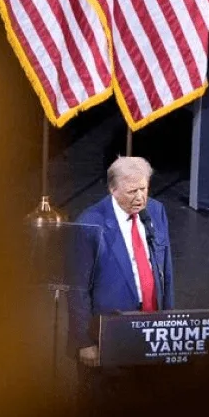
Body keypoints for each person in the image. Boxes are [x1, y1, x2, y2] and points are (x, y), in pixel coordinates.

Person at [67, 156, 175, 372]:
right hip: (110, 333)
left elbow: (166, 271)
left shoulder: (156, 211)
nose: (140, 197)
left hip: (153, 330)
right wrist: (83, 341)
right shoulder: (90, 223)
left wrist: (170, 324)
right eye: (132, 191)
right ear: (113, 190)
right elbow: (77, 288)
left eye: (143, 189)